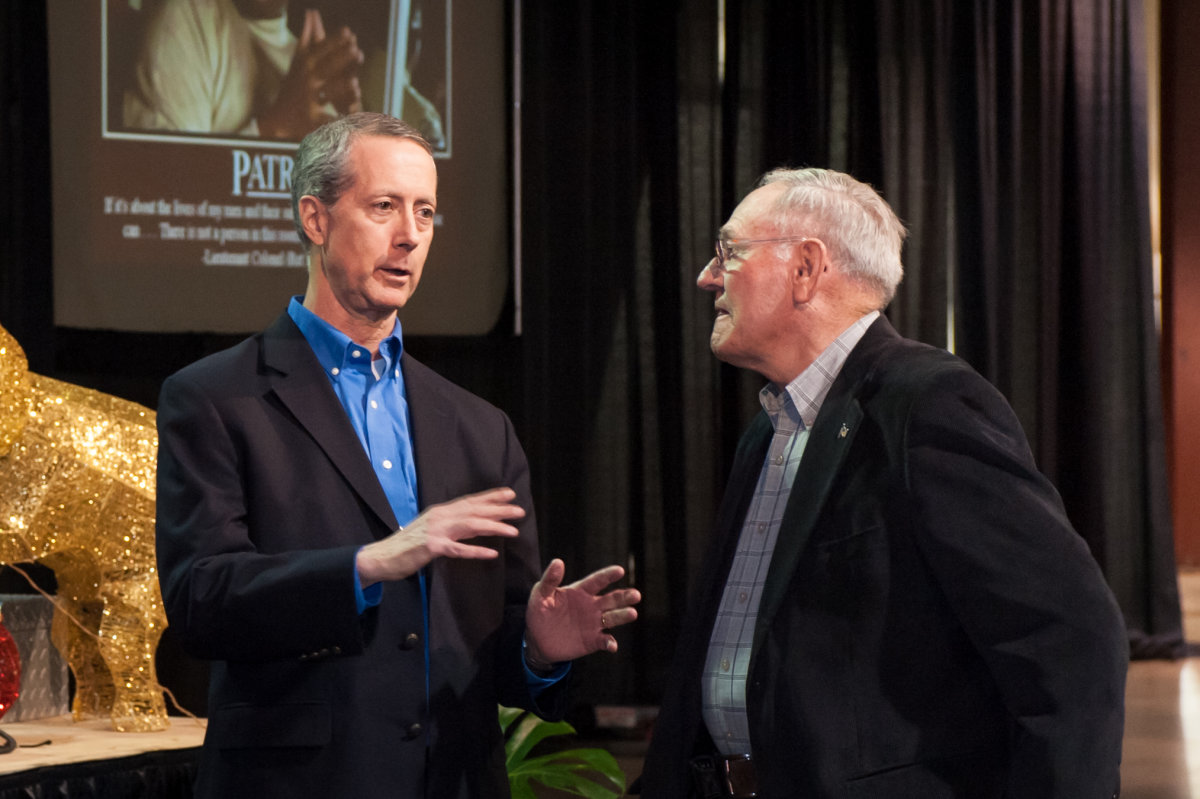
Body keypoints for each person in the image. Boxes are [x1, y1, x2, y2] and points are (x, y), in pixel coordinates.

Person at [155, 112, 641, 798]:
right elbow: (201, 599)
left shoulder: (481, 428)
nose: (410, 235)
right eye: (383, 207)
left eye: (426, 212)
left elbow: (496, 647)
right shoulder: (214, 398)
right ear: (315, 219)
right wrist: (363, 565)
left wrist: (535, 647)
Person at [637, 168, 1127, 798]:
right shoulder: (767, 429)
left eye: (729, 251)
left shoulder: (929, 404)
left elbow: (1070, 644)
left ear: (806, 269)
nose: (708, 275)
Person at [123, 0, 364, 139]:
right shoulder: (188, 19)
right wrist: (276, 128)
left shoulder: (304, 59)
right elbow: (169, 199)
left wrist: (356, 131)